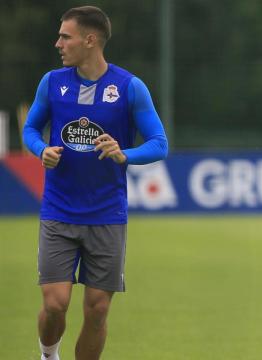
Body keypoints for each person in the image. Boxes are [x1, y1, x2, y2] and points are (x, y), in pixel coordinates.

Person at [22, 6, 168, 360]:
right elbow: (30, 128)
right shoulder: (52, 82)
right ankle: (48, 354)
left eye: (65, 36)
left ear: (90, 40)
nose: (58, 43)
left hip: (106, 215)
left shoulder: (129, 87)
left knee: (97, 310)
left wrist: (124, 155)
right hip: (59, 211)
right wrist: (41, 150)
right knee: (56, 304)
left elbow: (159, 143)